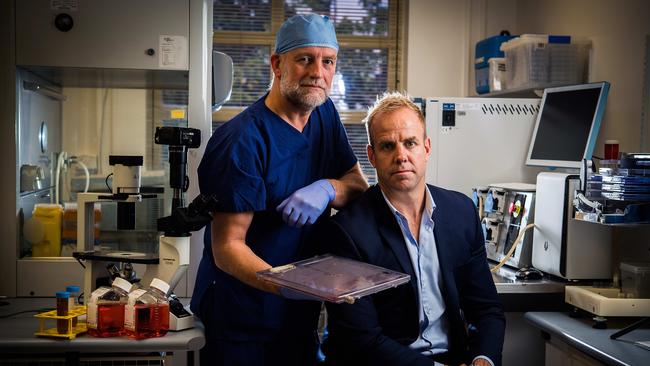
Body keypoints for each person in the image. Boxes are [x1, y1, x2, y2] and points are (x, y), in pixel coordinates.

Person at [191, 14, 368, 366]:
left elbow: (357, 186)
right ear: (277, 64)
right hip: (242, 324)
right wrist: (288, 286)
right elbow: (228, 248)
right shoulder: (242, 141)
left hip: (299, 318)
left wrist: (328, 188)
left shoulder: (324, 113)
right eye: (304, 59)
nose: (318, 72)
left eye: (328, 61)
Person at [314, 92, 505, 366]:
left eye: (410, 143)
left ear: (426, 148)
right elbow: (362, 339)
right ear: (372, 156)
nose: (401, 156)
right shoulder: (347, 232)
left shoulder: (461, 212)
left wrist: (483, 360)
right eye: (388, 146)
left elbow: (486, 309)